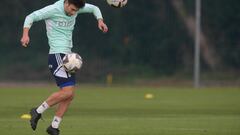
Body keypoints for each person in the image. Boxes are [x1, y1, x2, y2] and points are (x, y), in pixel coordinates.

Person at [20, 0, 108, 134]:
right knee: (67, 92)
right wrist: (25, 34)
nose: (74, 13)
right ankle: (37, 111)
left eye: (76, 11)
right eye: (72, 9)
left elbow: (94, 8)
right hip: (57, 55)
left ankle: (54, 127)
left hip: (67, 56)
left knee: (69, 95)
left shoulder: (76, 7)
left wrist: (100, 20)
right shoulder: (53, 9)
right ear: (66, 3)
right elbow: (30, 17)